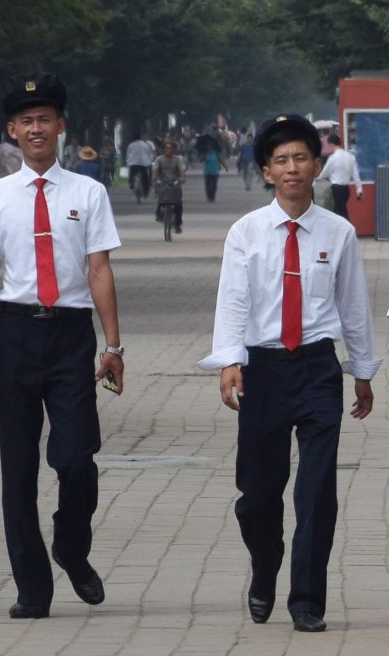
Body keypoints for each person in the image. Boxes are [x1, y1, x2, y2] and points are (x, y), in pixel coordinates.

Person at [197, 114, 380, 633]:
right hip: (264, 370)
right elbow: (233, 299)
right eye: (282, 160)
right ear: (267, 171)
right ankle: (265, 566)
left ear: (317, 166)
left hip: (319, 368)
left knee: (317, 491)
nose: (293, 167)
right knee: (258, 496)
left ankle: (307, 601)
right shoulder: (247, 232)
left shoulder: (338, 231)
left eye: (301, 157)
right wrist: (229, 360)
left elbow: (353, 305)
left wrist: (362, 369)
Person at [0, 73, 123, 620]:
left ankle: (71, 548)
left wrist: (114, 345)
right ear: (13, 130)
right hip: (16, 334)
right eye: (26, 121)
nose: (36, 129)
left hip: (71, 335)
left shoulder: (88, 192)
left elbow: (99, 268)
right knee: (18, 467)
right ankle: (32, 588)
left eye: (45, 119)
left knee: (77, 457)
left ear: (60, 126)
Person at [316, 134, 362, 221]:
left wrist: (316, 179)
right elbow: (355, 174)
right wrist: (359, 189)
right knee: (340, 211)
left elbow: (324, 173)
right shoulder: (350, 156)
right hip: (346, 190)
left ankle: (347, 230)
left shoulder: (333, 158)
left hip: (336, 189)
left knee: (340, 213)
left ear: (331, 144)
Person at [151, 140, 187, 232]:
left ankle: (178, 223)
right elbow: (155, 171)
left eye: (171, 148)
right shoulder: (159, 159)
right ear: (163, 149)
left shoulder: (178, 159)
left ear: (174, 149)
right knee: (160, 201)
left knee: (178, 204)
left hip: (175, 184)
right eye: (166, 148)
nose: (169, 150)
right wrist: (155, 178)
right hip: (163, 183)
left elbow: (182, 170)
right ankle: (159, 214)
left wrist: (182, 178)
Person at [125, 133, 153, 197]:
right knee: (145, 178)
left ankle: (131, 183)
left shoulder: (131, 145)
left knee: (131, 174)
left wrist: (128, 162)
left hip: (133, 163)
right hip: (143, 163)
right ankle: (146, 190)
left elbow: (127, 154)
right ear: (140, 137)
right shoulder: (145, 145)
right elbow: (149, 154)